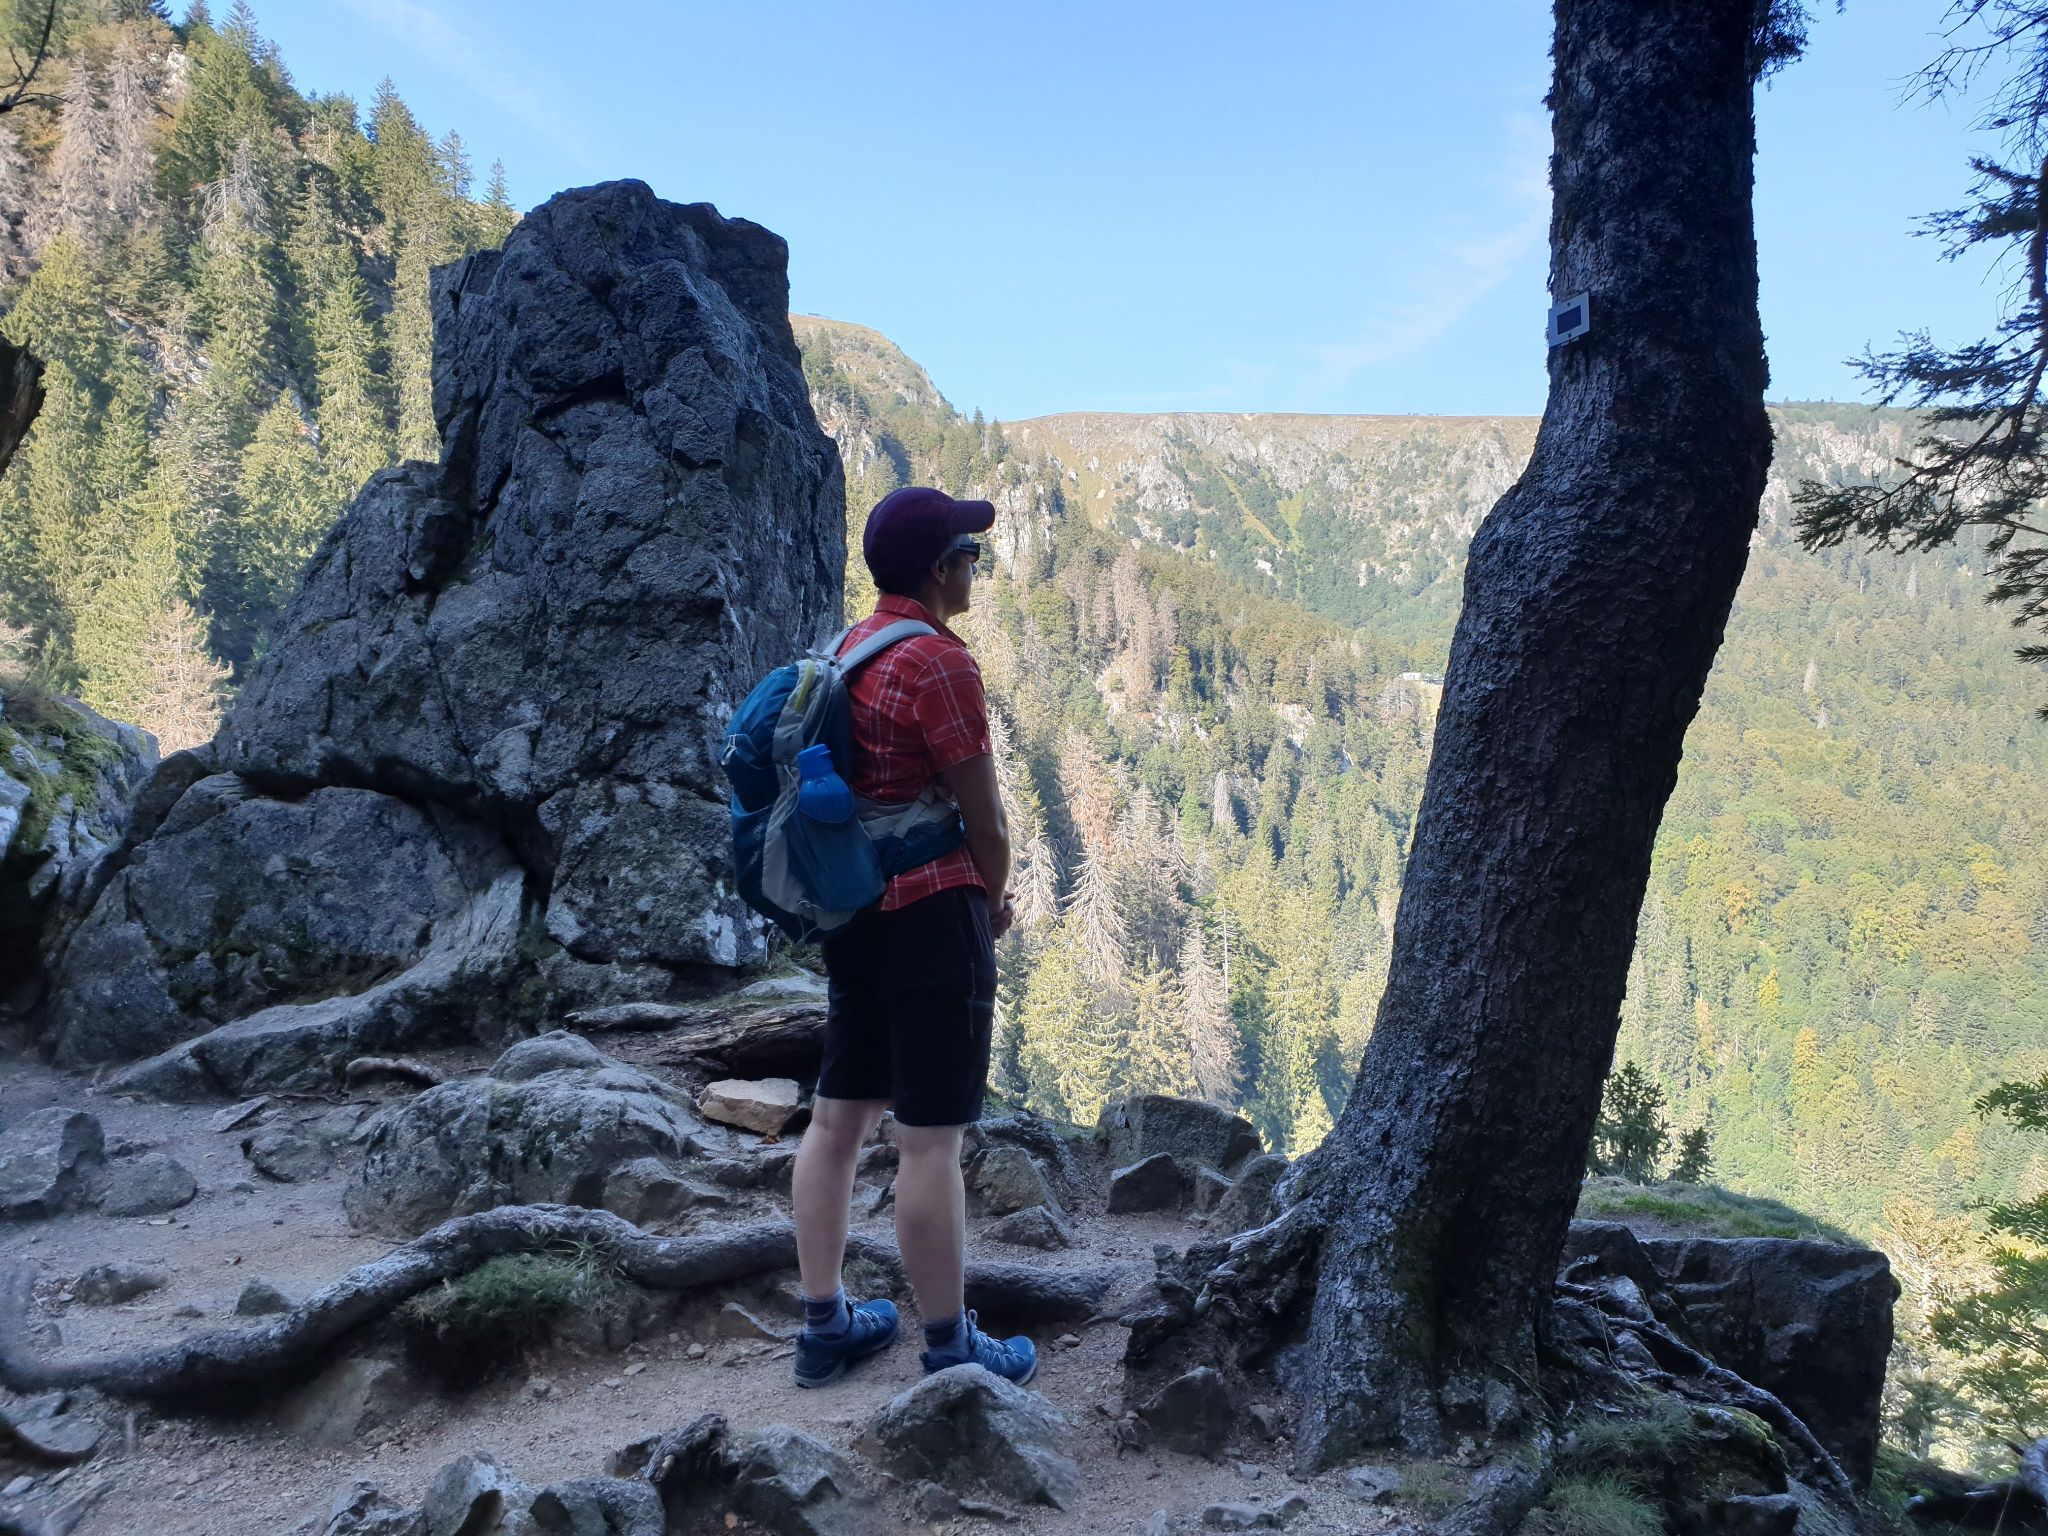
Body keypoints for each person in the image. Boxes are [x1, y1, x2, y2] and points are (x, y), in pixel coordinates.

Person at [789, 485, 1037, 1390]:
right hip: (932, 917)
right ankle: (949, 1345)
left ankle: (825, 1325)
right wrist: (993, 898)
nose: (976, 568)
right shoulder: (937, 662)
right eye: (970, 555)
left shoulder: (847, 649)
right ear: (940, 570)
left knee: (836, 1120)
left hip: (853, 914)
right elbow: (986, 820)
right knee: (930, 1141)